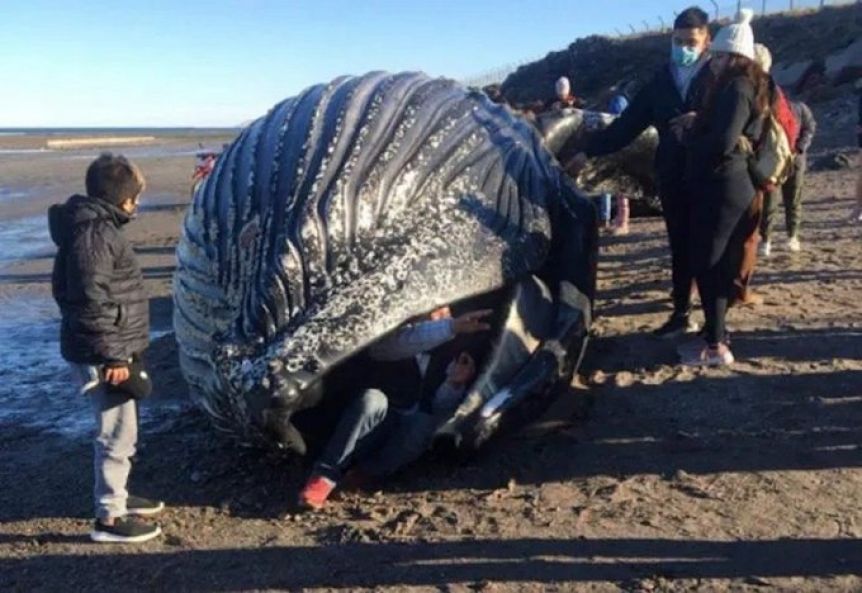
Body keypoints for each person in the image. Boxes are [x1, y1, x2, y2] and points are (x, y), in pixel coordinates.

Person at [566, 6, 714, 338]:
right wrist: (587, 151)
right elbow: (625, 128)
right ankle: (681, 311)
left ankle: (716, 322)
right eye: (678, 41)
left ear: (707, 40)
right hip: (674, 175)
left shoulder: (720, 76)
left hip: (713, 175)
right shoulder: (660, 82)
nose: (684, 48)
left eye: (691, 41)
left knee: (710, 245)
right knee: (680, 243)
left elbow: (741, 115)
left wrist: (702, 119)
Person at [49, 153, 163, 543]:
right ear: (124, 200)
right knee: (116, 432)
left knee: (123, 429)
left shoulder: (94, 229)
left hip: (109, 346)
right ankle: (110, 517)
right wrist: (113, 355)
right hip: (103, 353)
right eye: (136, 197)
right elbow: (88, 299)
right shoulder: (95, 235)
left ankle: (119, 496)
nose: (137, 204)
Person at [297, 308, 492, 510]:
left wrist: (454, 384)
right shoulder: (388, 338)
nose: (440, 315)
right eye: (433, 310)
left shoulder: (452, 350)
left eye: (445, 309)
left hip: (402, 436)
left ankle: (365, 475)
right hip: (368, 428)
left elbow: (438, 408)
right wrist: (450, 327)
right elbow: (391, 346)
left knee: (423, 423)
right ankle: (324, 476)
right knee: (371, 400)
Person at [679, 9, 769, 366]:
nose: (711, 62)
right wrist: (700, 121)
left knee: (710, 261)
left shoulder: (736, 86)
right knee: (717, 259)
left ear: (731, 57)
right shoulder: (751, 86)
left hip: (724, 186)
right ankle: (716, 334)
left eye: (716, 55)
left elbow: (723, 142)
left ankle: (715, 346)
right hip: (734, 186)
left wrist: (690, 137)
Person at [760, 98, 816, 254]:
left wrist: (800, 147)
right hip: (773, 161)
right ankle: (766, 239)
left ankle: (792, 236)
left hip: (795, 159)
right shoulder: (767, 110)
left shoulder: (799, 108)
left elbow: (810, 127)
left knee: (793, 199)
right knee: (769, 201)